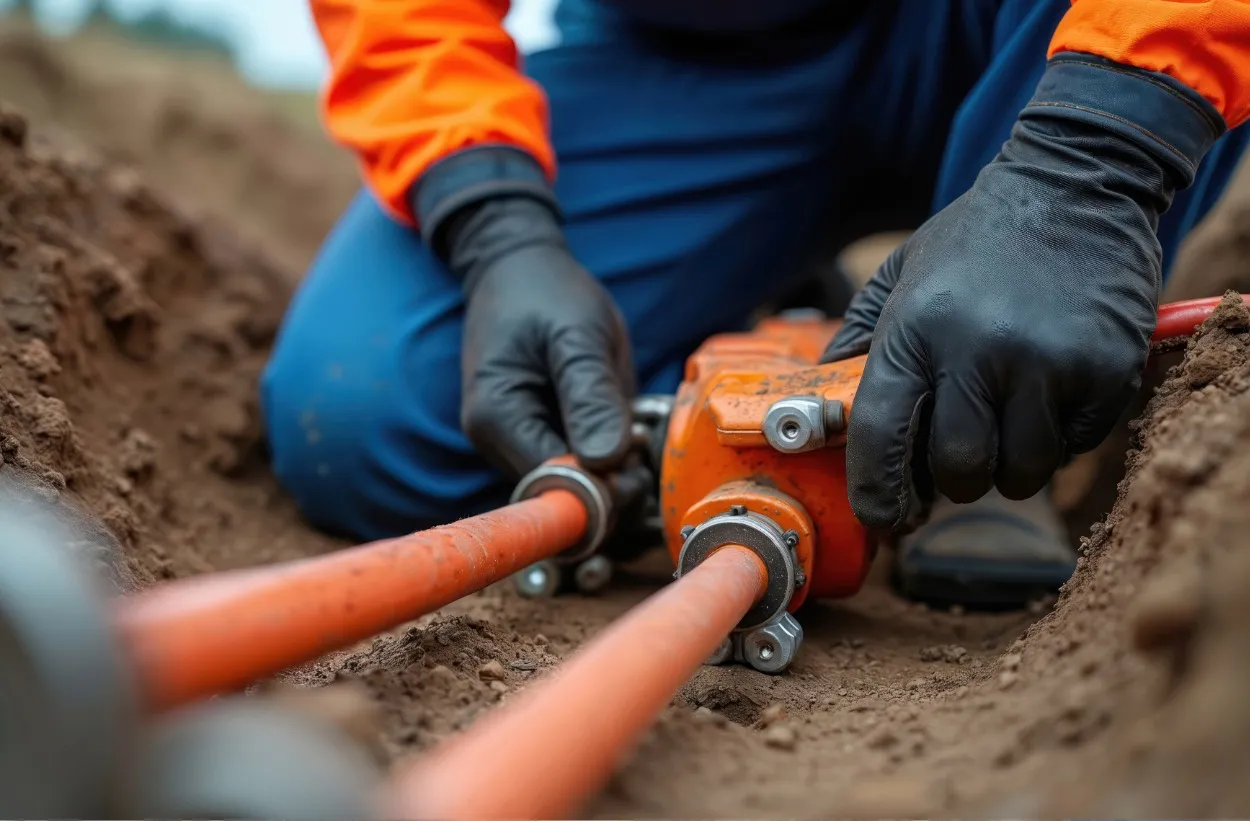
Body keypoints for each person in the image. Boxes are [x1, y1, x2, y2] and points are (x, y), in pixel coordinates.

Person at [262, 0, 1250, 607]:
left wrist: (1086, 168)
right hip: (690, 54)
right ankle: (754, 319)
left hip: (1029, 32)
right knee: (367, 413)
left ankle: (991, 443)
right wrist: (495, 225)